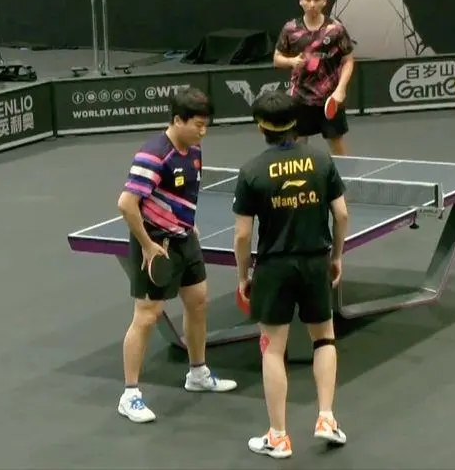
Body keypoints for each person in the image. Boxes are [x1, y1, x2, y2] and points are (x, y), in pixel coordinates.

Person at [232, 90, 349, 458]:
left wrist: (243, 275)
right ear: (295, 122)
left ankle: (279, 437)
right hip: (315, 261)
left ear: (260, 127)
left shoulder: (251, 171)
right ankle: (326, 418)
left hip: (274, 266)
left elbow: (242, 235)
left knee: (272, 349)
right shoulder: (321, 159)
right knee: (324, 339)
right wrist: (336, 255)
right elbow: (342, 214)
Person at [116, 87, 237, 424]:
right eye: (198, 124)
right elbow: (126, 204)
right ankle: (130, 394)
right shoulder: (154, 155)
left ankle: (197, 373)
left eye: (206, 125)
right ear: (177, 120)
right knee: (147, 315)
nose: (203, 131)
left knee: (198, 301)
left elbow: (182, 193)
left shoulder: (194, 150)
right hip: (155, 244)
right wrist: (146, 244)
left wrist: (188, 224)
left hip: (185, 239)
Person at [273, 0, 356, 156]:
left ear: (324, 1)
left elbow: (348, 60)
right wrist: (291, 61)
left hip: (330, 98)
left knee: (338, 147)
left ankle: (344, 174)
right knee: (298, 149)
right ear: (301, 0)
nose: (312, 4)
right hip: (300, 98)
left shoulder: (336, 29)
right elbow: (277, 59)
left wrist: (341, 90)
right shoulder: (290, 29)